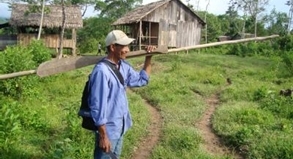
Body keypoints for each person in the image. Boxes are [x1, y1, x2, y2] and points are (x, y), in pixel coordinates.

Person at [88, 30, 156, 159]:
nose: (127, 50)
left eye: (128, 46)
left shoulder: (123, 66)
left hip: (121, 127)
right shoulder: (102, 72)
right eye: (124, 46)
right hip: (108, 131)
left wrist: (149, 57)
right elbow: (97, 106)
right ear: (113, 47)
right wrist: (103, 136)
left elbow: (142, 80)